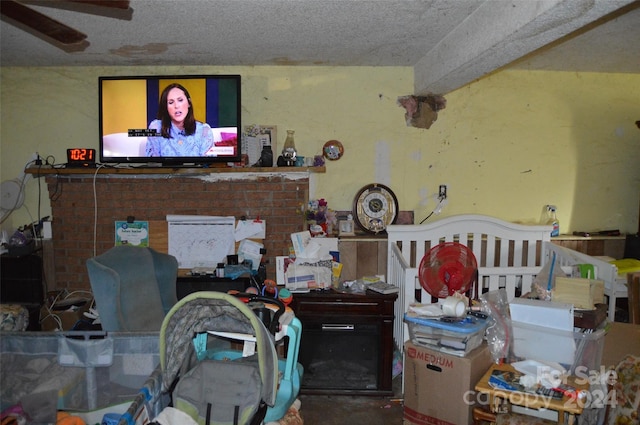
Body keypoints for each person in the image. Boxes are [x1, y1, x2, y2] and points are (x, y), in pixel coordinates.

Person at [145, 83, 214, 157]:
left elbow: (208, 166)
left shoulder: (204, 130)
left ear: (189, 103)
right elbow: (153, 164)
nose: (176, 106)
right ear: (166, 107)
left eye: (180, 100)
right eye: (171, 102)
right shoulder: (156, 128)